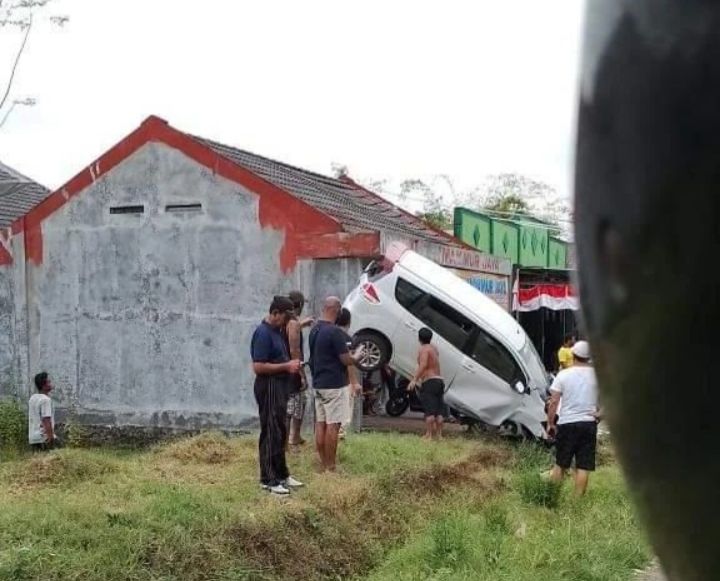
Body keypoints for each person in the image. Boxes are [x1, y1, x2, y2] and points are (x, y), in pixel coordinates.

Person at [251, 296, 304, 495]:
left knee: (281, 431)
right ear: (274, 314)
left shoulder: (276, 331)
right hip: (269, 386)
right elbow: (258, 366)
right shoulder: (263, 333)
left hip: (281, 385)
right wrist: (286, 365)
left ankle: (282, 474)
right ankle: (268, 479)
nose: (285, 323)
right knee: (271, 432)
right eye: (283, 318)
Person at [309, 297, 362, 471]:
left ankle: (322, 462)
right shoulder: (335, 332)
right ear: (336, 310)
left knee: (320, 424)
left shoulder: (314, 330)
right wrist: (357, 356)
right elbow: (346, 360)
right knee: (333, 425)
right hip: (334, 385)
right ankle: (330, 466)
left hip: (318, 383)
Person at [545, 340, 599, 496]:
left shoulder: (563, 375)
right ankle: (577, 501)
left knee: (561, 463)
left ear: (573, 355)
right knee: (583, 465)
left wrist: (550, 423)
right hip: (589, 423)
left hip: (567, 423)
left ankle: (553, 497)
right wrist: (600, 414)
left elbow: (554, 401)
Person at [283, 290, 314, 447]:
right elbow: (295, 350)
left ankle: (294, 437)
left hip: (284, 369)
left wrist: (303, 324)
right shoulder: (293, 323)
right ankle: (288, 442)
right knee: (292, 408)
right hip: (292, 370)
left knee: (299, 403)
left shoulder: (286, 320)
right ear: (300, 305)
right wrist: (302, 374)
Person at [408, 328, 445, 440]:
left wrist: (414, 379)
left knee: (429, 410)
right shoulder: (434, 348)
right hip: (439, 380)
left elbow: (423, 365)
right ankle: (439, 435)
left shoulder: (424, 349)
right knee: (439, 410)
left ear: (419, 338)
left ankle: (429, 435)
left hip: (430, 381)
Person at [334, 307, 355, 439]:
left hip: (329, 381)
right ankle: (339, 434)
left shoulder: (328, 334)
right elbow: (349, 362)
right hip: (344, 381)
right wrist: (354, 382)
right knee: (344, 413)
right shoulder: (346, 338)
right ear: (348, 322)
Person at [28, 372, 58, 450]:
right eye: (48, 382)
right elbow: (46, 419)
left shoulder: (33, 398)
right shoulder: (46, 400)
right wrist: (51, 437)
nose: (50, 383)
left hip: (33, 438)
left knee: (37, 460)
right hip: (44, 438)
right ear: (43, 385)